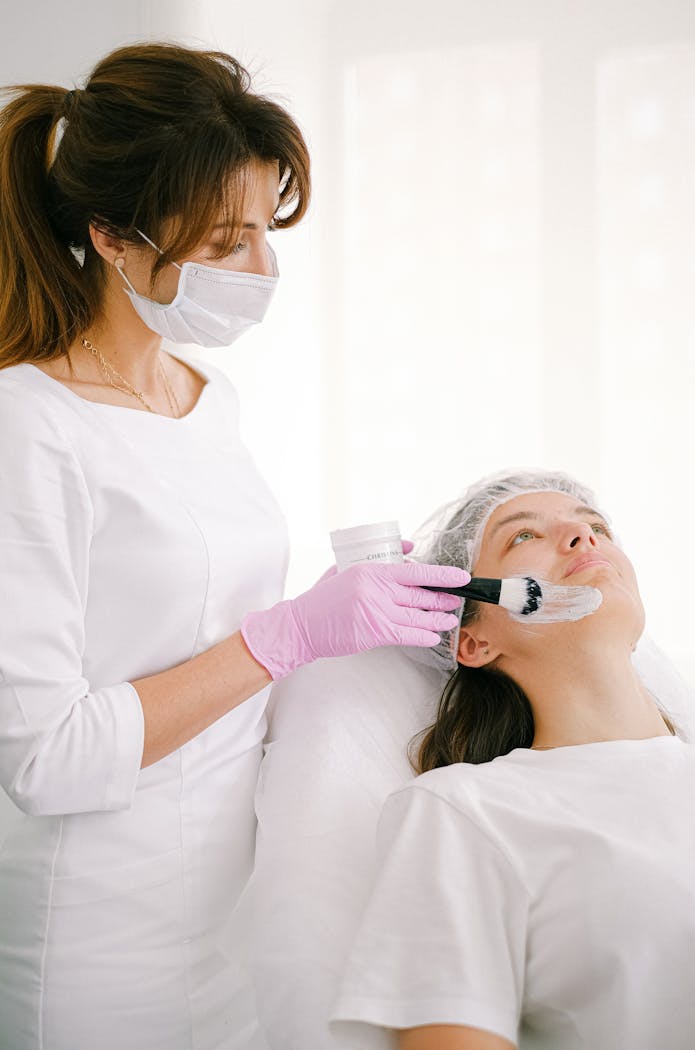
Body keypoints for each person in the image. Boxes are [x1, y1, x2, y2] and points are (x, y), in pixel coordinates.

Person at [0, 42, 470, 1050]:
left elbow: (200, 625)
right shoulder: (26, 426)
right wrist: (286, 636)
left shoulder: (207, 401)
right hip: (96, 937)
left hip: (228, 914)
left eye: (263, 232)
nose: (260, 270)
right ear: (110, 239)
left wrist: (348, 626)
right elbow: (46, 756)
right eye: (223, 243)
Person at [332, 470, 695, 1050]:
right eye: (523, 536)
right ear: (473, 640)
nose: (583, 535)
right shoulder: (466, 811)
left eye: (595, 525)